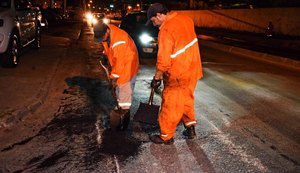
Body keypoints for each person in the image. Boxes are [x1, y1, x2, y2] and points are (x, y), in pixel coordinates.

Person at [147, 3, 203, 144]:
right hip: (193, 69)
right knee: (186, 99)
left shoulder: (165, 30)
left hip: (178, 74)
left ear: (159, 15)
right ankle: (190, 127)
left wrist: (157, 78)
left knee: (170, 104)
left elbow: (164, 61)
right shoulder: (185, 19)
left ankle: (166, 136)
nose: (154, 24)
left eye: (154, 21)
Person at [93, 21, 139, 130]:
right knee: (119, 93)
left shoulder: (119, 40)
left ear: (107, 31)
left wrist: (113, 77)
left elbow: (120, 63)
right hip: (119, 66)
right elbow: (109, 48)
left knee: (125, 94)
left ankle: (124, 119)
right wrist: (105, 55)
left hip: (127, 68)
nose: (102, 40)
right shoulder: (107, 35)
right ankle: (120, 110)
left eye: (102, 37)